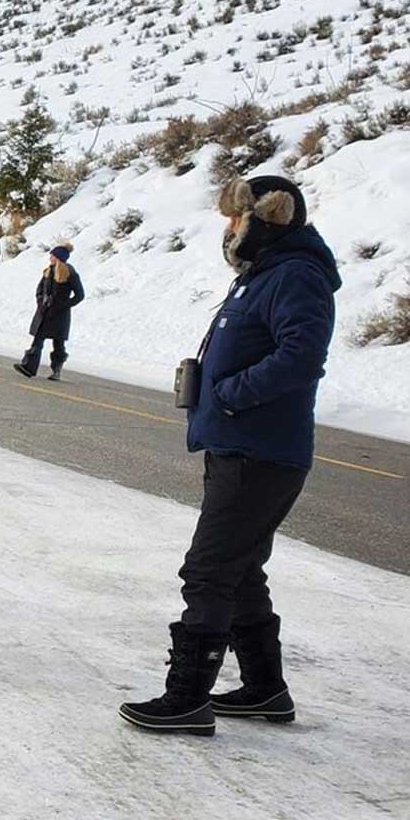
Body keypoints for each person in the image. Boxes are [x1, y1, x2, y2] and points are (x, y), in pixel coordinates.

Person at [119, 175, 339, 737]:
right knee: (240, 572)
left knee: (210, 570)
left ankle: (188, 698)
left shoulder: (296, 275)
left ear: (262, 221)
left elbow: (302, 355)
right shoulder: (264, 275)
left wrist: (231, 395)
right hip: (242, 444)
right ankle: (267, 689)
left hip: (260, 448)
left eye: (234, 219)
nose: (227, 229)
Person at [11, 240, 83, 381]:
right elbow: (39, 289)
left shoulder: (70, 273)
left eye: (52, 256)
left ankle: (56, 370)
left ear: (59, 258)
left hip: (59, 315)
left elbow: (80, 295)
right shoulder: (47, 271)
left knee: (58, 343)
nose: (50, 258)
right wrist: (40, 302)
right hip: (44, 312)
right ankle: (28, 367)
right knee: (38, 339)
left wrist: (63, 305)